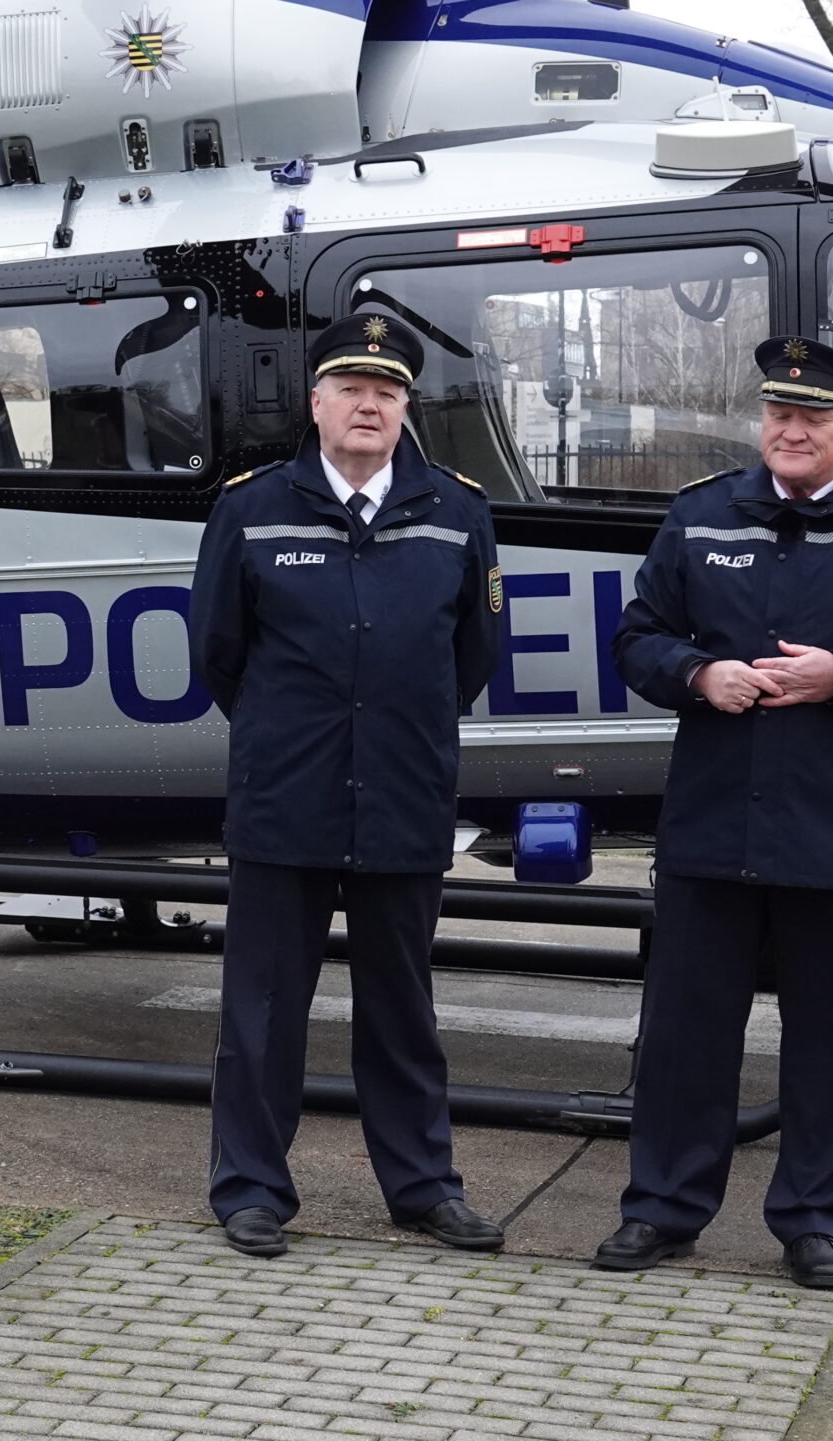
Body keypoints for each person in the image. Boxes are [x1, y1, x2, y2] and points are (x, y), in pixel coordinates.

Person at [596, 337, 833, 1287]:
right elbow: (639, 637)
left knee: (828, 1042)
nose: (792, 430)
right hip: (712, 826)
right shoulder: (699, 518)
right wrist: (699, 672)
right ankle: (663, 1208)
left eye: (814, 418)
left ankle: (815, 1220)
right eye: (779, 414)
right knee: (686, 1036)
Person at [188, 311, 506, 1259]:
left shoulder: (457, 512)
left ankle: (422, 1186)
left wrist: (393, 726)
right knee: (263, 1007)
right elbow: (219, 655)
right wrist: (303, 732)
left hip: (404, 794)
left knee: (403, 1007)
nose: (371, 405)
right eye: (353, 390)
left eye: (389, 392)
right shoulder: (251, 509)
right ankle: (248, 1187)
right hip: (287, 797)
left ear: (406, 407)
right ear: (317, 404)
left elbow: (472, 656)